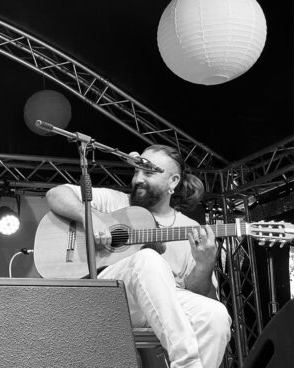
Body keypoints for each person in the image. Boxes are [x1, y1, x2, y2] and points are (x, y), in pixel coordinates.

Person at [45, 144, 231, 368]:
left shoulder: (191, 229)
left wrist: (204, 264)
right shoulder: (115, 202)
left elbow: (199, 296)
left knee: (216, 314)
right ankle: (187, 362)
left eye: (149, 172)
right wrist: (89, 220)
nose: (138, 179)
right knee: (148, 259)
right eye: (136, 171)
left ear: (173, 181)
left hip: (162, 312)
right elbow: (56, 194)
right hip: (106, 300)